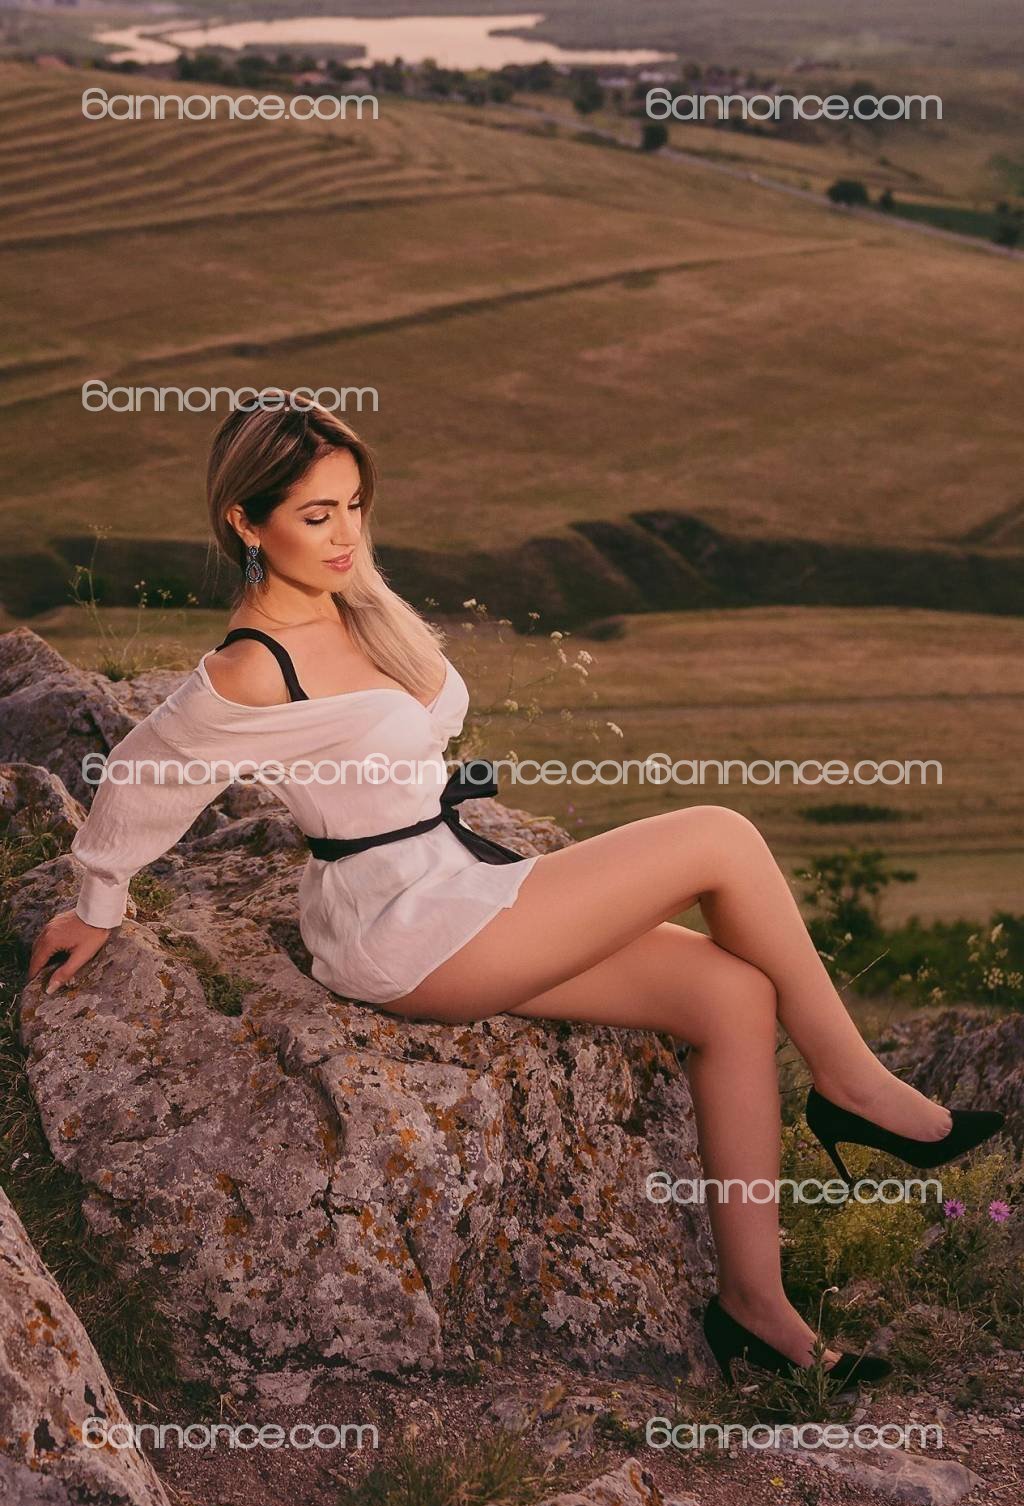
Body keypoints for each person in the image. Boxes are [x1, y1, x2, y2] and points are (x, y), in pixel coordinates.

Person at [28, 398, 1002, 1384]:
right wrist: (96, 899)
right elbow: (146, 768)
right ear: (246, 520)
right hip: (395, 925)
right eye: (316, 514)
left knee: (733, 995)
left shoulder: (356, 602)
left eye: (354, 505)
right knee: (721, 836)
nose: (345, 532)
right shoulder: (251, 667)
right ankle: (852, 1084)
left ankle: (756, 1308)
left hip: (455, 876)